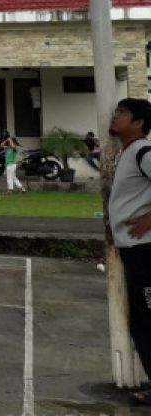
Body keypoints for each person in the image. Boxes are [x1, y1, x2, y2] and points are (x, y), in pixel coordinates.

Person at [103, 98, 151, 406]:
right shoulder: (127, 153)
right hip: (132, 249)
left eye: (122, 113)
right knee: (141, 320)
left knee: (148, 319)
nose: (115, 116)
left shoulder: (144, 152)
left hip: (146, 251)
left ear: (138, 122)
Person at [0, 129, 25, 193]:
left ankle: (10, 190)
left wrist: (10, 140)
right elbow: (1, 145)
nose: (9, 144)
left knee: (9, 178)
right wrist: (7, 139)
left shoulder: (14, 149)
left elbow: (13, 146)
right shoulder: (8, 148)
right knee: (14, 178)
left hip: (11, 165)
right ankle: (22, 188)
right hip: (10, 165)